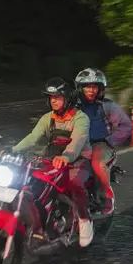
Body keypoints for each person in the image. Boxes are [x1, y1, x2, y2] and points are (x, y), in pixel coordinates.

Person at [11, 77, 94, 247]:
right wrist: (12, 151)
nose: (53, 101)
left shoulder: (80, 118)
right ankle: (38, 224)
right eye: (51, 97)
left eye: (58, 97)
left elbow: (77, 142)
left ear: (68, 98)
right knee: (28, 181)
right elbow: (32, 138)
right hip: (51, 160)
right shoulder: (47, 118)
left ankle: (85, 221)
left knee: (75, 182)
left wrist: (66, 156)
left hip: (77, 160)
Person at [75, 68, 132, 215]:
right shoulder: (72, 106)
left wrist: (110, 140)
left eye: (94, 87)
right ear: (80, 88)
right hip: (76, 145)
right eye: (87, 86)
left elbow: (126, 126)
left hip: (100, 145)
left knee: (97, 163)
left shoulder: (107, 106)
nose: (91, 90)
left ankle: (107, 198)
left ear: (100, 89)